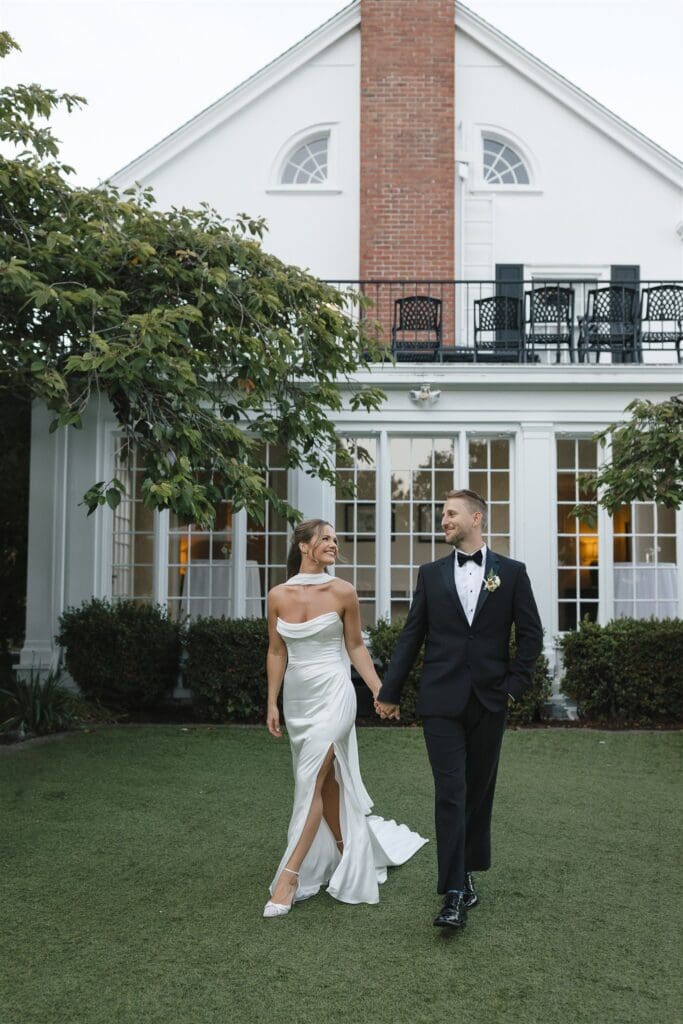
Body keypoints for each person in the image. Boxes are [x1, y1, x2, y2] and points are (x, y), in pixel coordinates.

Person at [376, 490, 542, 931]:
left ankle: (467, 870)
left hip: (490, 702)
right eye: (442, 513)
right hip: (441, 704)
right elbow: (412, 635)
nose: (443, 519)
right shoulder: (429, 575)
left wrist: (512, 688)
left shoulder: (512, 573)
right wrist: (389, 691)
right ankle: (452, 893)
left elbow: (531, 636)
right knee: (450, 792)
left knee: (477, 792)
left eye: (450, 513)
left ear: (476, 516)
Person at [263, 518, 427, 917]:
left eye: (337, 539)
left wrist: (379, 690)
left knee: (312, 780)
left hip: (336, 693)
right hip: (299, 700)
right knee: (327, 784)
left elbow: (355, 646)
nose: (334, 544)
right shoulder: (278, 595)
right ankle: (347, 848)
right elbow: (276, 652)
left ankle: (289, 876)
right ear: (303, 545)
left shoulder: (343, 591)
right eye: (326, 539)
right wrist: (272, 702)